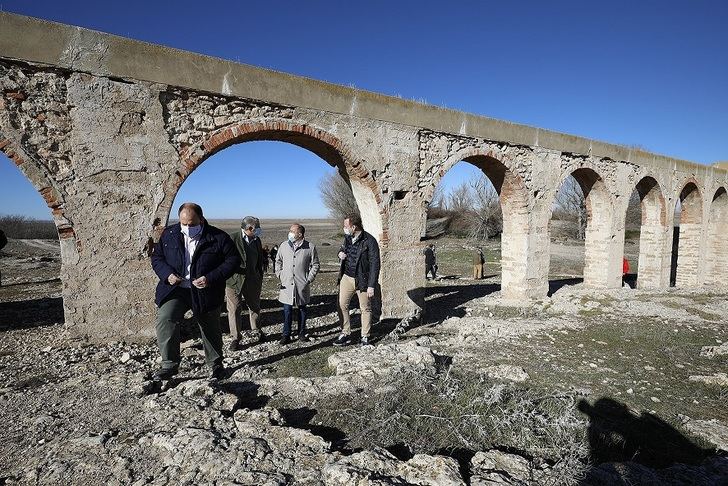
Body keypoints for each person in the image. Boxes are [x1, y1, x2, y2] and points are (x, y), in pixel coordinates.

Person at [150, 203, 239, 381]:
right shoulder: (169, 234)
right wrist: (167, 275)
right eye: (184, 223)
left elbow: (232, 260)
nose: (187, 228)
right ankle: (169, 365)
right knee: (165, 317)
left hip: (206, 290)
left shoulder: (218, 237)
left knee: (210, 325)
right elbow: (157, 257)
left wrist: (210, 278)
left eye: (191, 224)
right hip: (176, 289)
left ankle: (215, 364)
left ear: (201, 219)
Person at [334, 214, 381, 347]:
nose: (344, 228)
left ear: (354, 227)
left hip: (363, 280)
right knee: (341, 304)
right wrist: (340, 253)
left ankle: (365, 336)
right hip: (347, 277)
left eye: (346, 226)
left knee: (365, 308)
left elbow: (375, 264)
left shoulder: (369, 241)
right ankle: (346, 332)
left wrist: (371, 285)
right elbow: (343, 249)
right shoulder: (347, 238)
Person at [225, 216, 267, 351]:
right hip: (234, 281)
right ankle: (235, 338)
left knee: (254, 306)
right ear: (249, 228)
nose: (259, 231)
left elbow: (259, 260)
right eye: (257, 228)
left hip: (253, 280)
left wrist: (259, 276)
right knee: (234, 309)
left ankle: (256, 330)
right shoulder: (232, 239)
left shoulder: (256, 240)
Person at [275, 223, 320, 345]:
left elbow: (315, 264)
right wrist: (280, 274)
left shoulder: (310, 247)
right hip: (287, 284)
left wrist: (308, 279)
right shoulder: (284, 245)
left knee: (302, 309)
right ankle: (286, 334)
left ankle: (301, 333)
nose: (289, 233)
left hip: (302, 284)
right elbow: (278, 261)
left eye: (292, 231)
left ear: (300, 234)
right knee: (287, 310)